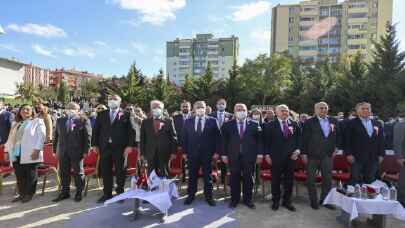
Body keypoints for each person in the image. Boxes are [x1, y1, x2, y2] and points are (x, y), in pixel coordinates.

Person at [92, 95, 136, 203]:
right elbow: (96, 131)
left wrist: (130, 146)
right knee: (106, 171)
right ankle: (107, 194)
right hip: (105, 147)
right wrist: (95, 145)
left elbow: (131, 132)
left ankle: (120, 193)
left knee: (120, 171)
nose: (112, 101)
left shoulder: (126, 114)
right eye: (110, 99)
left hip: (120, 148)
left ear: (120, 102)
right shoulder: (102, 114)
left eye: (115, 99)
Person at [221, 103, 263, 209]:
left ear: (247, 111)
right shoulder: (227, 125)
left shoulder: (254, 124)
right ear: (234, 112)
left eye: (243, 109)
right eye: (238, 109)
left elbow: (260, 141)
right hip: (233, 156)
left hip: (249, 156)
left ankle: (247, 200)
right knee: (234, 178)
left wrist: (259, 154)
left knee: (248, 178)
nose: (241, 111)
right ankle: (234, 200)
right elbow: (224, 142)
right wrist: (224, 155)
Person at [301, 102, 340, 210]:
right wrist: (303, 153)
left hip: (327, 155)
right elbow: (304, 139)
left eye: (325, 108)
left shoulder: (334, 121)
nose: (323, 110)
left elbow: (338, 135)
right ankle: (313, 201)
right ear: (315, 110)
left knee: (327, 179)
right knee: (310, 180)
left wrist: (336, 148)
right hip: (312, 155)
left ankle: (325, 200)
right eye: (321, 108)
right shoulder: (309, 122)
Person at [5, 104, 46, 203]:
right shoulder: (15, 123)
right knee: (19, 174)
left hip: (30, 152)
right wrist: (6, 151)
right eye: (23, 109)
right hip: (16, 152)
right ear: (19, 112)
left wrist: (37, 150)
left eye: (28, 109)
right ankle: (21, 193)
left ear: (32, 111)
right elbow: (10, 138)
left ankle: (29, 194)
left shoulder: (37, 121)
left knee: (30, 174)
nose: (25, 111)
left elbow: (42, 136)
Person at [182, 101, 221, 206]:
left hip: (207, 154)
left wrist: (217, 152)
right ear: (194, 109)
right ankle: (191, 195)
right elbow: (184, 138)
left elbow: (218, 138)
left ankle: (209, 196)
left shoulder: (213, 121)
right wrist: (184, 152)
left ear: (206, 108)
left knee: (207, 176)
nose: (200, 109)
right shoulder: (188, 121)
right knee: (192, 175)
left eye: (202, 107)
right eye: (198, 107)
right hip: (192, 154)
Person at [263, 104, 300, 212]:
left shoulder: (294, 124)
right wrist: (267, 155)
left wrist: (297, 151)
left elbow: (299, 139)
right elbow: (266, 142)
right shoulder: (269, 125)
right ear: (276, 112)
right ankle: (275, 201)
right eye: (282, 110)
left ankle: (287, 201)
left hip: (291, 158)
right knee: (275, 180)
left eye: (287, 110)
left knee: (289, 181)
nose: (285, 112)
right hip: (276, 158)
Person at [52, 102, 92, 202]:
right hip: (63, 151)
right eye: (69, 107)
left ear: (78, 110)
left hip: (77, 151)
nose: (70, 109)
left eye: (73, 108)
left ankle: (79, 192)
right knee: (64, 172)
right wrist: (54, 150)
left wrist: (86, 150)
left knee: (78, 172)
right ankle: (65, 192)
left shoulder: (83, 120)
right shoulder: (60, 120)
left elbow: (88, 137)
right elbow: (56, 136)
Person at [345, 102, 385, 185]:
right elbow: (347, 140)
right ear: (357, 111)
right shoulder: (350, 123)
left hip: (373, 157)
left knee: (371, 180)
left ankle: (369, 197)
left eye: (367, 108)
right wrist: (348, 154)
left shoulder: (377, 123)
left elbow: (381, 140)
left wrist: (381, 154)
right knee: (355, 179)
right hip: (356, 157)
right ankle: (354, 197)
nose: (365, 110)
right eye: (363, 108)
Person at [139, 100, 177, 177]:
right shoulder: (145, 122)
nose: (156, 109)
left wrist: (173, 152)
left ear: (162, 109)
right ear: (151, 109)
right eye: (154, 107)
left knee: (164, 173)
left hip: (164, 153)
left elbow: (173, 137)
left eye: (158, 107)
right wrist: (142, 153)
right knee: (151, 174)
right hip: (150, 153)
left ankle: (164, 188)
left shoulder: (168, 121)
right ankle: (152, 188)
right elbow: (142, 139)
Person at [393, 109, 405, 207]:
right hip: (403, 158)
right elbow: (397, 143)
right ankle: (401, 203)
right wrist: (399, 157)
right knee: (403, 182)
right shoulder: (400, 125)